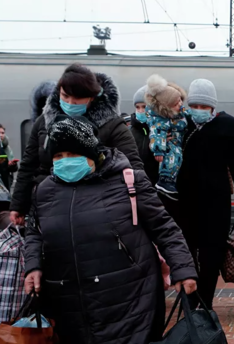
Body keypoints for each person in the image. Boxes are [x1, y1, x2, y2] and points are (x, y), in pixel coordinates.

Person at [22, 115, 197, 344]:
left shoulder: (127, 179)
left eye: (72, 154)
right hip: (73, 301)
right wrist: (34, 265)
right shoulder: (45, 191)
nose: (64, 162)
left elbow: (164, 226)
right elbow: (34, 233)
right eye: (57, 156)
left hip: (129, 298)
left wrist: (183, 269)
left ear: (93, 153)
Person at [11, 64, 144, 226]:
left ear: (92, 97)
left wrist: (141, 204)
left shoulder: (112, 125)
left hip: (98, 205)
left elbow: (133, 166)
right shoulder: (44, 121)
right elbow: (29, 164)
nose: (70, 102)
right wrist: (18, 205)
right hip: (48, 205)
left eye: (78, 98)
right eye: (65, 96)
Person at [168, 78, 234, 307]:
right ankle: (190, 300)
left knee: (212, 254)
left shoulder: (226, 127)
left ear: (213, 107)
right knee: (187, 251)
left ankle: (205, 303)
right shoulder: (180, 125)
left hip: (216, 202)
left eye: (204, 106)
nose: (199, 110)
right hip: (185, 201)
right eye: (194, 106)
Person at [144, 74, 188, 198]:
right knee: (172, 159)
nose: (180, 104)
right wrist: (158, 150)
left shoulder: (178, 113)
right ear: (167, 107)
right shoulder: (160, 120)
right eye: (176, 103)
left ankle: (170, 180)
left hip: (176, 143)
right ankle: (165, 179)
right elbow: (157, 133)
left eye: (180, 100)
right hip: (169, 146)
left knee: (177, 159)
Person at [130, 85, 159, 185]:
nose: (141, 111)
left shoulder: (160, 131)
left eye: (144, 106)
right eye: (137, 107)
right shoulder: (130, 131)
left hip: (155, 183)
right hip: (136, 183)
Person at [0, 124, 18, 190]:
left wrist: (12, 165)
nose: (1, 135)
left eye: (2, 133)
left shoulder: (7, 148)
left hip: (5, 183)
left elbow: (14, 169)